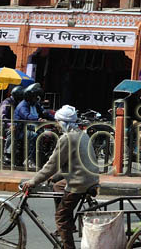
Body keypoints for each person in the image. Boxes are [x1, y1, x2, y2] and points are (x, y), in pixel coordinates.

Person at [21, 105, 101, 249]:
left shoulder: (67, 138)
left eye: (58, 122)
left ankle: (67, 234)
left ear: (63, 122)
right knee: (57, 186)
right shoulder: (82, 134)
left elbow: (52, 164)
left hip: (80, 181)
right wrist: (55, 177)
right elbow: (71, 163)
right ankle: (69, 225)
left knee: (61, 217)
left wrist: (33, 181)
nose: (57, 126)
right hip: (90, 177)